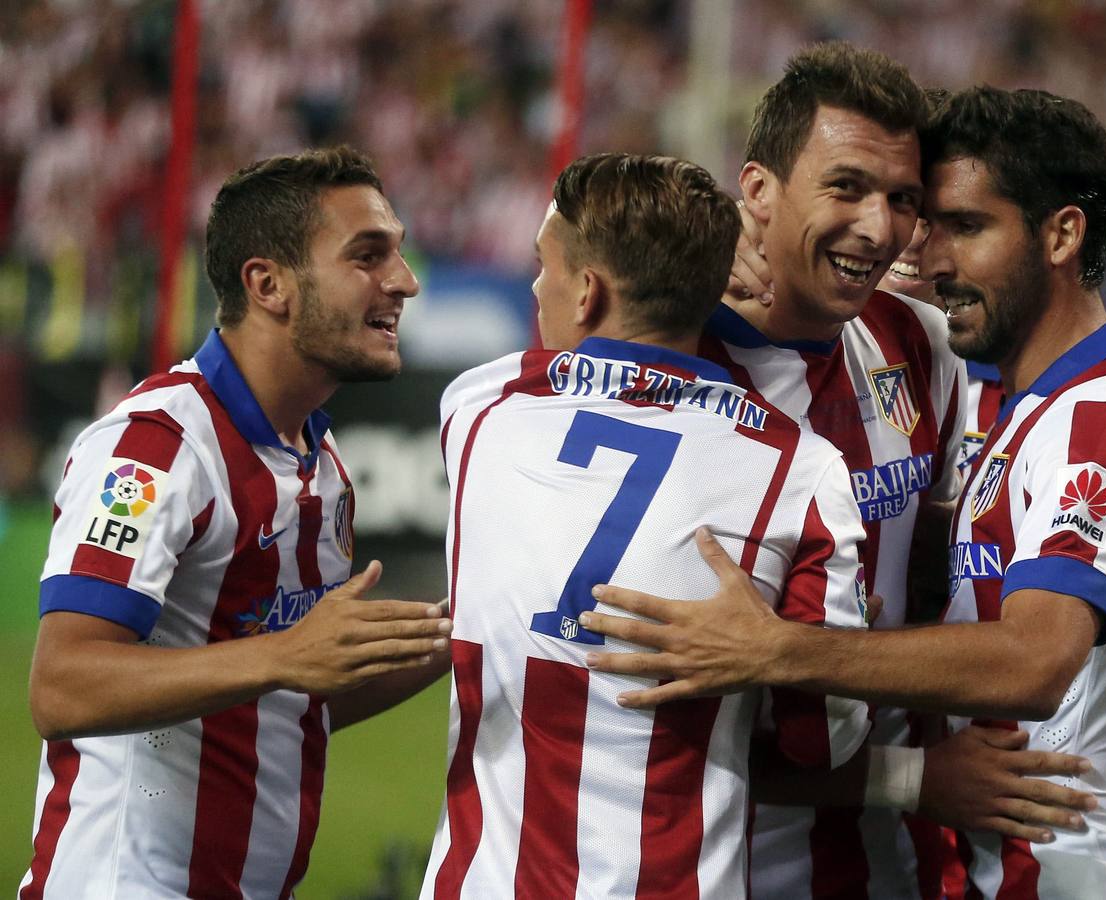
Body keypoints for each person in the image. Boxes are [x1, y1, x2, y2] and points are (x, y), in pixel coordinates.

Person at [583, 86, 1106, 898]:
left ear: (1063, 233)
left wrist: (777, 648)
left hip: (1096, 869)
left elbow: (1033, 660)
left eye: (963, 227)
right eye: (929, 224)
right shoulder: (1018, 413)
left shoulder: (1103, 418)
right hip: (1008, 865)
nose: (927, 257)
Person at [691, 45, 1095, 899]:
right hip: (726, 866)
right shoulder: (675, 358)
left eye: (901, 200)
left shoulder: (915, 347)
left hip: (902, 870)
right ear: (756, 190)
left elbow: (967, 579)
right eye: (845, 188)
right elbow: (662, 718)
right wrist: (913, 777)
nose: (879, 228)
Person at [422, 152, 872, 897]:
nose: (538, 285)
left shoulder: (478, 410)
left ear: (588, 292)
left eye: (546, 267)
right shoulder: (801, 473)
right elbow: (823, 739)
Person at [22, 146, 453, 899]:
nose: (403, 281)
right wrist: (284, 654)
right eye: (367, 254)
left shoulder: (319, 463)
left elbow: (294, 698)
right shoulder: (155, 450)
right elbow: (62, 686)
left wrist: (462, 632)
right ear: (268, 284)